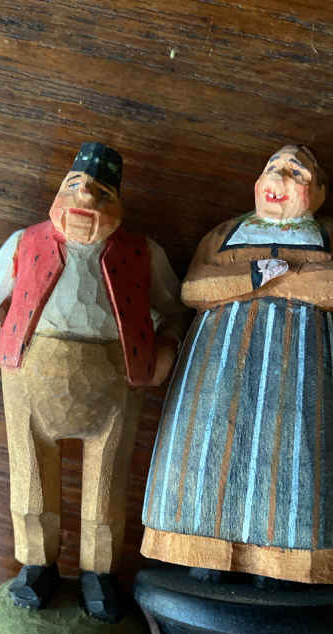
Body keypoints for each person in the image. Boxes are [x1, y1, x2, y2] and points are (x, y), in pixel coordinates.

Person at [0, 142, 186, 620]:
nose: (85, 200)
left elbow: (174, 309)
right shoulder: (25, 243)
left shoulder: (142, 253)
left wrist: (165, 350)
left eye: (101, 193)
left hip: (115, 377)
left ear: (118, 204)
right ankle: (36, 565)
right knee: (29, 474)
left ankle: (99, 573)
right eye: (75, 186)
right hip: (31, 372)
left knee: (108, 480)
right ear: (59, 194)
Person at [142, 144, 333, 584]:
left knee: (290, 461)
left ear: (320, 192)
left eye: (296, 173)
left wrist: (278, 277)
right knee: (207, 454)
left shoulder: (326, 234)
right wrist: (256, 277)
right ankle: (204, 554)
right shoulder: (225, 233)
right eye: (272, 168)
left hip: (300, 367)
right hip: (218, 362)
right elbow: (194, 289)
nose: (280, 179)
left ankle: (279, 566)